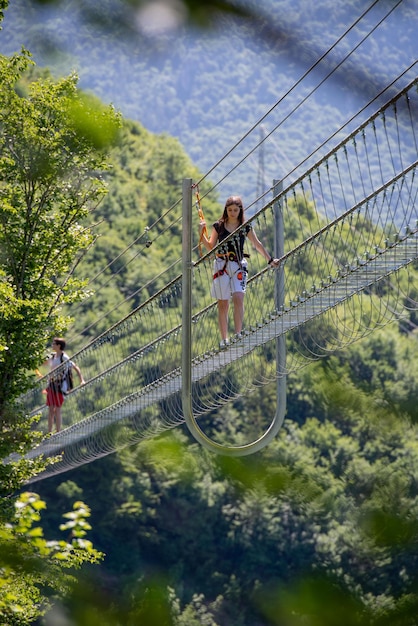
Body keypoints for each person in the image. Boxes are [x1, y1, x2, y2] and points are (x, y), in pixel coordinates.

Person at [198, 195, 280, 349]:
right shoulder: (218, 226)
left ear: (240, 210)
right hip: (222, 265)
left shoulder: (245, 227)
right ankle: (224, 340)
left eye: (235, 210)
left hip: (238, 265)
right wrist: (201, 233)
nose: (232, 213)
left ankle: (238, 335)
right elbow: (210, 246)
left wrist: (270, 260)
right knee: (223, 304)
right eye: (230, 210)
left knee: (238, 297)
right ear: (226, 210)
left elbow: (257, 244)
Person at [43, 337, 85, 433]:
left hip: (60, 386)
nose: (52, 345)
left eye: (54, 344)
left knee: (57, 409)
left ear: (58, 346)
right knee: (50, 410)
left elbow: (76, 368)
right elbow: (44, 363)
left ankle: (58, 431)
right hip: (52, 385)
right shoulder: (53, 356)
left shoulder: (64, 357)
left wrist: (81, 380)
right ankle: (49, 433)